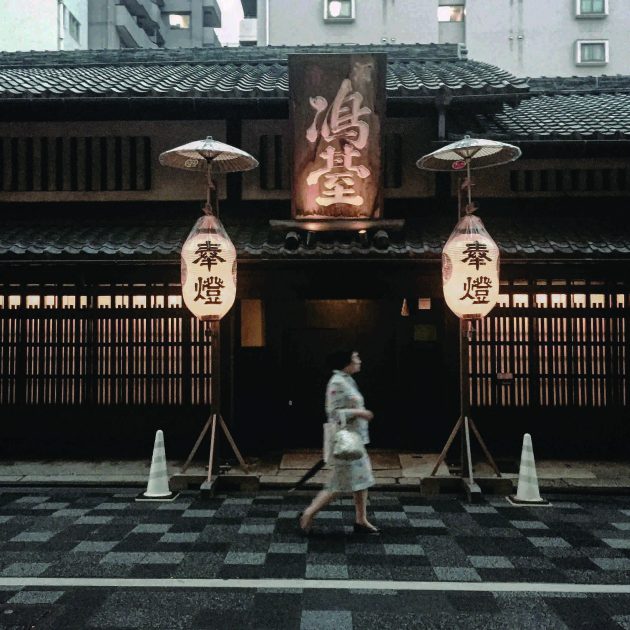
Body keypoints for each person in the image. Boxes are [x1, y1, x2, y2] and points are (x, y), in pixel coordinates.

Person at [299, 349, 379, 535]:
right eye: (355, 358)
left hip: (355, 441)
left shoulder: (347, 380)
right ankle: (308, 514)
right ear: (347, 363)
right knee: (337, 484)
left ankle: (361, 519)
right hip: (345, 443)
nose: (359, 360)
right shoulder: (336, 382)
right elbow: (333, 413)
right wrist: (359, 413)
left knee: (362, 479)